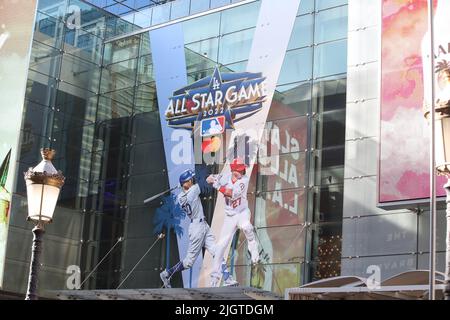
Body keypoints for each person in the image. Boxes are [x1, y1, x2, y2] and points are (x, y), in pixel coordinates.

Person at [160, 169, 238, 288]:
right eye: (189, 180)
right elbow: (203, 181)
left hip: (202, 225)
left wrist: (183, 185)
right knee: (188, 262)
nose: (191, 181)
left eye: (191, 180)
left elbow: (193, 185)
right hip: (197, 228)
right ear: (185, 184)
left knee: (217, 251)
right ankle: (167, 273)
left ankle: (227, 278)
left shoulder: (182, 195)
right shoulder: (192, 191)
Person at [206, 158, 260, 287]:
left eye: (242, 169)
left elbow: (232, 194)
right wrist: (212, 178)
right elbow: (210, 178)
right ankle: (215, 278)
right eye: (239, 170)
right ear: (233, 170)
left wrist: (217, 185)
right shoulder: (226, 177)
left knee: (247, 227)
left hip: (242, 213)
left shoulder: (244, 180)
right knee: (220, 246)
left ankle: (254, 250)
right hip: (230, 217)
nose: (242, 171)